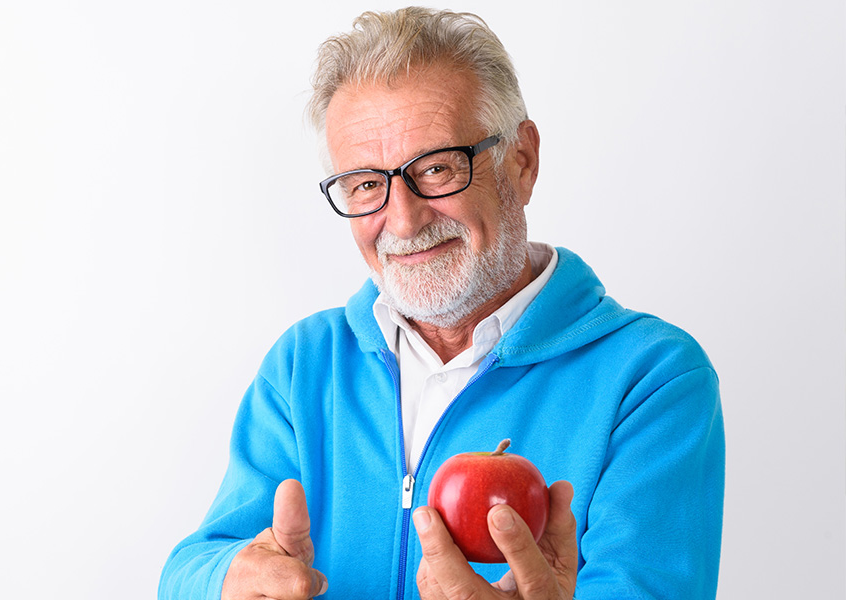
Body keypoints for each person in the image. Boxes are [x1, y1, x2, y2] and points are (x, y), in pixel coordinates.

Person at [159, 7, 724, 600]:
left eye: (437, 168)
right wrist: (227, 581)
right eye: (365, 184)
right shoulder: (306, 363)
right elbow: (189, 567)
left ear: (522, 162)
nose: (402, 219)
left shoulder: (652, 379)